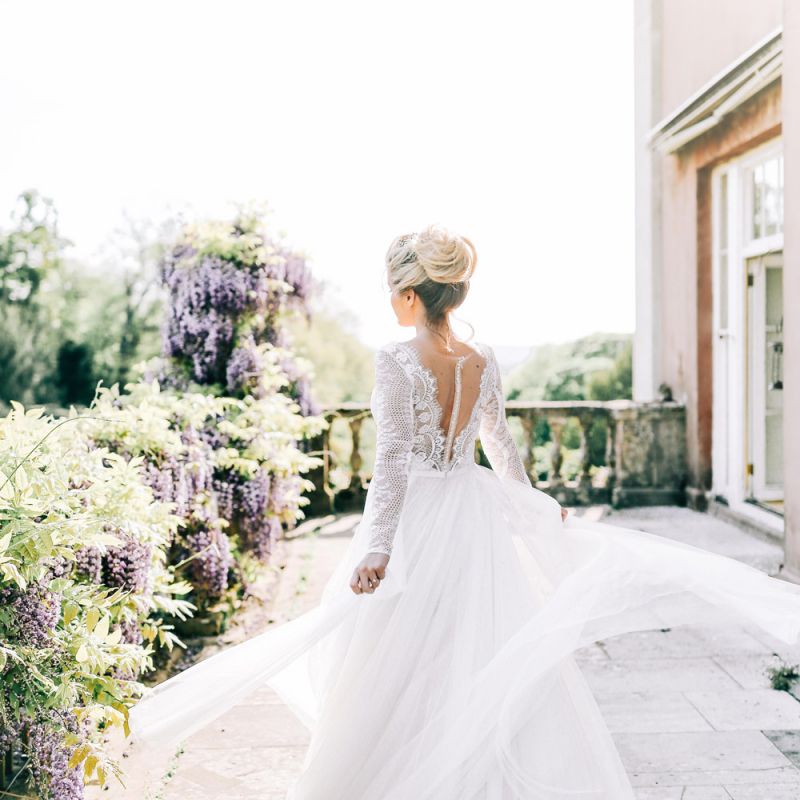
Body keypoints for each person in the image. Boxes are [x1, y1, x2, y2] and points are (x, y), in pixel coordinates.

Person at [129, 224, 800, 799]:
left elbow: (391, 463)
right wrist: (533, 502)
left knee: (397, 655)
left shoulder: (395, 361)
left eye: (394, 289)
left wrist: (377, 548)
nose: (389, 301)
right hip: (473, 514)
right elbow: (500, 444)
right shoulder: (482, 359)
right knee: (470, 646)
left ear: (413, 294)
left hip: (421, 517)